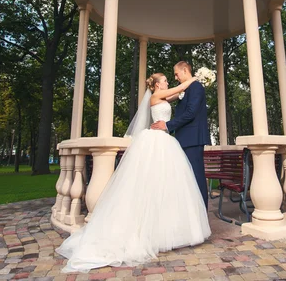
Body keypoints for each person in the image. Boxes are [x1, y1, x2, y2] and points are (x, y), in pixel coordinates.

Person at [56, 73, 210, 273]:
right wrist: (198, 78)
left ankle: (168, 229)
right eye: (163, 80)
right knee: (151, 184)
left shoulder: (164, 97)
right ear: (155, 85)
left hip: (165, 141)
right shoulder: (156, 97)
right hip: (157, 140)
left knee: (168, 185)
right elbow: (180, 90)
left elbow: (178, 94)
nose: (167, 82)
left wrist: (191, 85)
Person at [151, 61, 211, 208]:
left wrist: (167, 125)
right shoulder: (185, 89)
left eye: (177, 74)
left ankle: (201, 213)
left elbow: (191, 113)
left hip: (193, 139)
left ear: (185, 71)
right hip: (183, 139)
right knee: (186, 179)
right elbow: (177, 94)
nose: (175, 78)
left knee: (196, 178)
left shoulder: (196, 87)